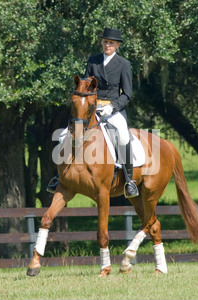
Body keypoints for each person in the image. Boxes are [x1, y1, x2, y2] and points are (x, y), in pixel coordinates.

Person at [47, 27, 139, 198]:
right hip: (92, 109)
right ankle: (59, 176)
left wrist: (112, 106)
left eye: (111, 43)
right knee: (64, 135)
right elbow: (84, 85)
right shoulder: (93, 61)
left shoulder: (123, 64)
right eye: (105, 42)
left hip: (113, 109)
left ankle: (128, 180)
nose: (107, 45)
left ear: (117, 45)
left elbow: (127, 94)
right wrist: (91, 105)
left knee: (123, 136)